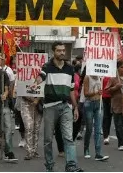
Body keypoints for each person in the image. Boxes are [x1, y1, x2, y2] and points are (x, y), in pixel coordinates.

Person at [34, 41, 83, 173]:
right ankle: (49, 166)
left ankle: (71, 165)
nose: (62, 52)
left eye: (63, 50)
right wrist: (36, 82)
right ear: (53, 52)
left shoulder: (70, 69)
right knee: (48, 139)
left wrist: (75, 107)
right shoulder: (47, 66)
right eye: (59, 50)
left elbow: (71, 90)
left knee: (68, 137)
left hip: (66, 106)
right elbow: (41, 76)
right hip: (50, 107)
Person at [82, 72, 109, 161]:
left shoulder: (100, 77)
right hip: (89, 104)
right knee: (89, 129)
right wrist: (96, 92)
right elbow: (86, 93)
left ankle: (98, 153)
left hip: (99, 104)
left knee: (98, 129)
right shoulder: (87, 77)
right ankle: (86, 149)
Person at [105, 60, 123, 151]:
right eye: (122, 67)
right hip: (116, 104)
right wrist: (115, 87)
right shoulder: (113, 78)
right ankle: (121, 143)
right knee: (118, 125)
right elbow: (107, 90)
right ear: (117, 68)